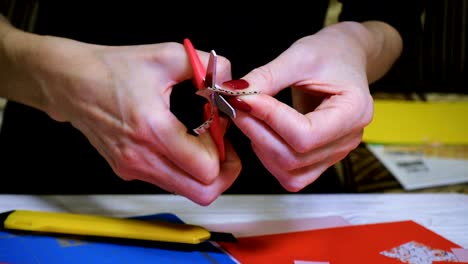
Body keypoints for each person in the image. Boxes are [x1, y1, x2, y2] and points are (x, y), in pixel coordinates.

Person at [0, 1, 422, 205]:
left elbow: (392, 16)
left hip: (285, 190)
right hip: (54, 183)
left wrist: (358, 44)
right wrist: (56, 79)